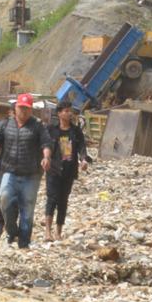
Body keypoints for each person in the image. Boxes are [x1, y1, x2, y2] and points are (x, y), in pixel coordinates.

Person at [0, 94, 53, 249]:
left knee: (27, 207)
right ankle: (11, 230)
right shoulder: (5, 124)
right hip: (8, 171)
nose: (23, 111)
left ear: (30, 110)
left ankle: (24, 241)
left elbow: (46, 144)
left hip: (31, 174)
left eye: (26, 108)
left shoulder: (37, 126)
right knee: (3, 197)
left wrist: (46, 158)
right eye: (21, 108)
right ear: (15, 108)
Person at [42, 102, 91, 242]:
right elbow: (45, 145)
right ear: (59, 113)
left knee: (63, 201)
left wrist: (83, 160)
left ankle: (58, 232)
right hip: (54, 169)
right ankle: (47, 232)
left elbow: (82, 147)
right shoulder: (51, 130)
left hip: (69, 170)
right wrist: (45, 159)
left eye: (70, 111)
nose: (69, 113)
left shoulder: (75, 131)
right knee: (51, 199)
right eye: (65, 111)